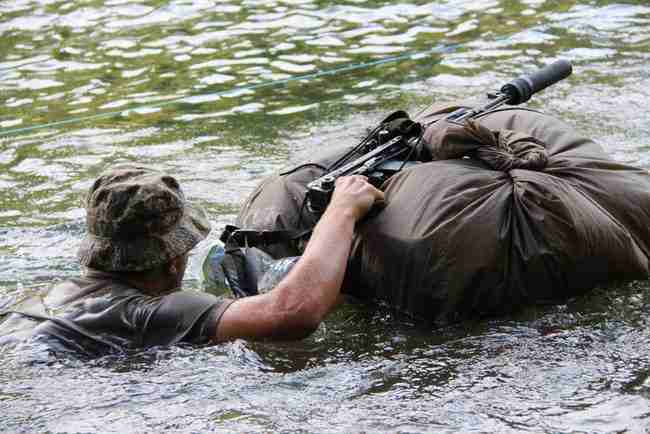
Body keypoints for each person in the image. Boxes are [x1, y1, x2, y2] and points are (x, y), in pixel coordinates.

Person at [0, 164, 383, 357]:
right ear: (172, 260)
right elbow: (292, 313)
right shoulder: (151, 311)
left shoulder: (37, 298)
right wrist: (343, 210)